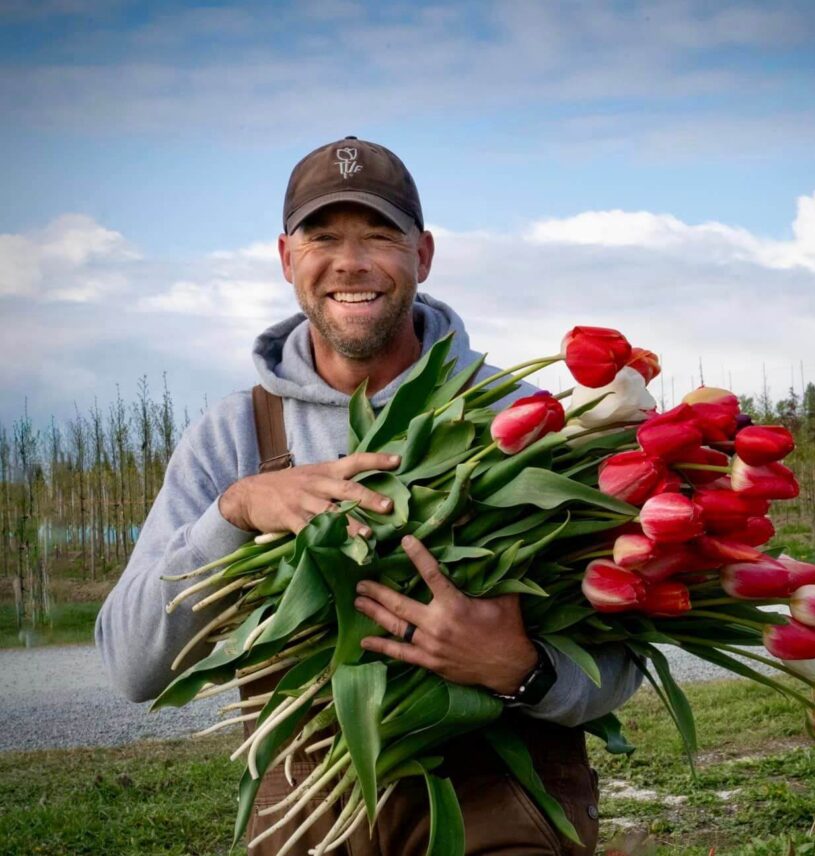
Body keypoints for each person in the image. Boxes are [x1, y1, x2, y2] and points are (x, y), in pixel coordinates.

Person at [96, 137, 642, 855]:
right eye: (324, 237)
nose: (350, 262)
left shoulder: (533, 421)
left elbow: (623, 663)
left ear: (423, 255)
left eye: (379, 235)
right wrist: (235, 512)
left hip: (500, 803)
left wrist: (520, 668)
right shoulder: (235, 436)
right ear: (287, 258)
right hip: (305, 816)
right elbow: (133, 667)